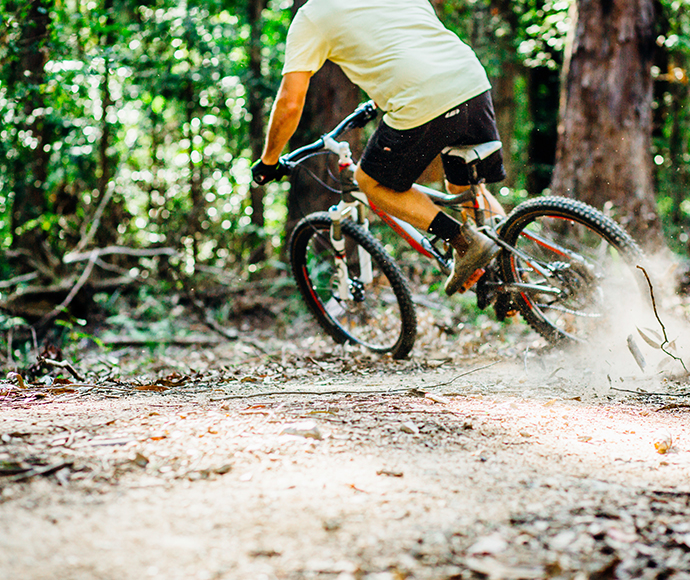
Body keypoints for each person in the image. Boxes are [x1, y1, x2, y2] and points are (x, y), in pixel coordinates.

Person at [252, 0, 506, 296]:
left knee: (370, 183)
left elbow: (290, 103)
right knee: (464, 189)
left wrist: (269, 160)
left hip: (422, 98)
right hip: (470, 80)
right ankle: (514, 274)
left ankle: (464, 241)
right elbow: (408, 37)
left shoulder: (312, 16)